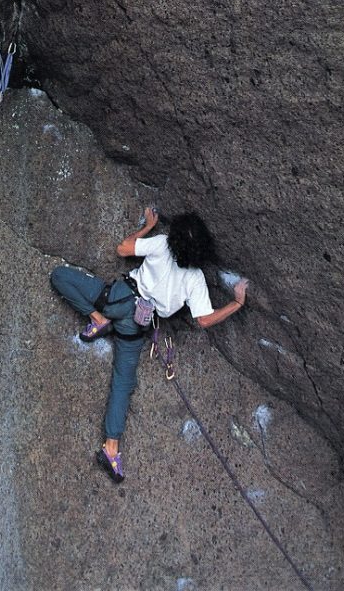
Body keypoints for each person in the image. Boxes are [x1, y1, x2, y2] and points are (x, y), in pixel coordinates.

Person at [50, 207, 248, 482]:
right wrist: (236, 303)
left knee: (60, 276)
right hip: (138, 323)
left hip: (116, 299)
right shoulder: (196, 279)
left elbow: (122, 249)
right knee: (122, 383)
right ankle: (111, 449)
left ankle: (97, 318)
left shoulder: (162, 244)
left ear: (176, 235)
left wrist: (148, 226)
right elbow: (203, 320)